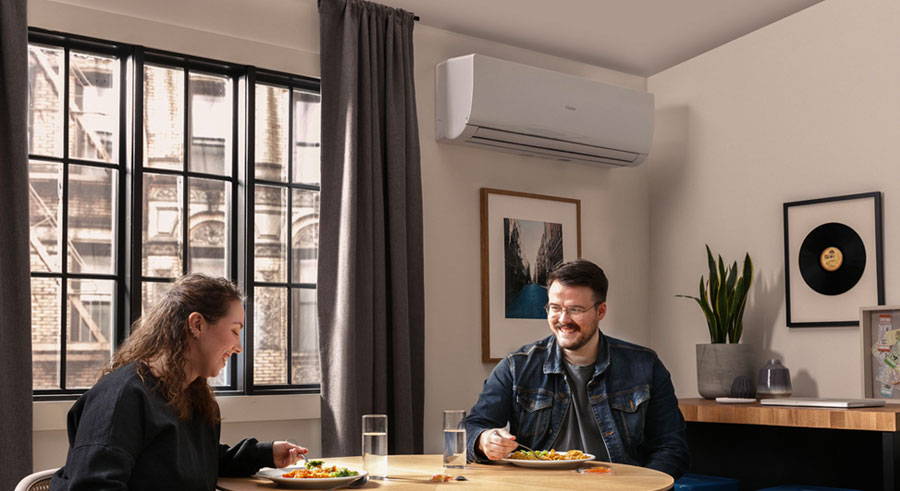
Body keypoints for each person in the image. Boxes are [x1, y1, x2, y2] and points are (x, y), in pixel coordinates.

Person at [51, 274, 308, 490]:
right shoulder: (122, 397)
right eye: (234, 330)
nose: (238, 347)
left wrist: (265, 454)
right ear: (197, 324)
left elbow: (193, 464)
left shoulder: (191, 395)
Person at [465, 259, 689, 478]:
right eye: (555, 308)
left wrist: (643, 486)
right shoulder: (517, 366)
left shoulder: (645, 366)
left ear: (600, 311)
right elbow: (472, 427)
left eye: (575, 309)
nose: (563, 319)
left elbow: (671, 447)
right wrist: (484, 440)